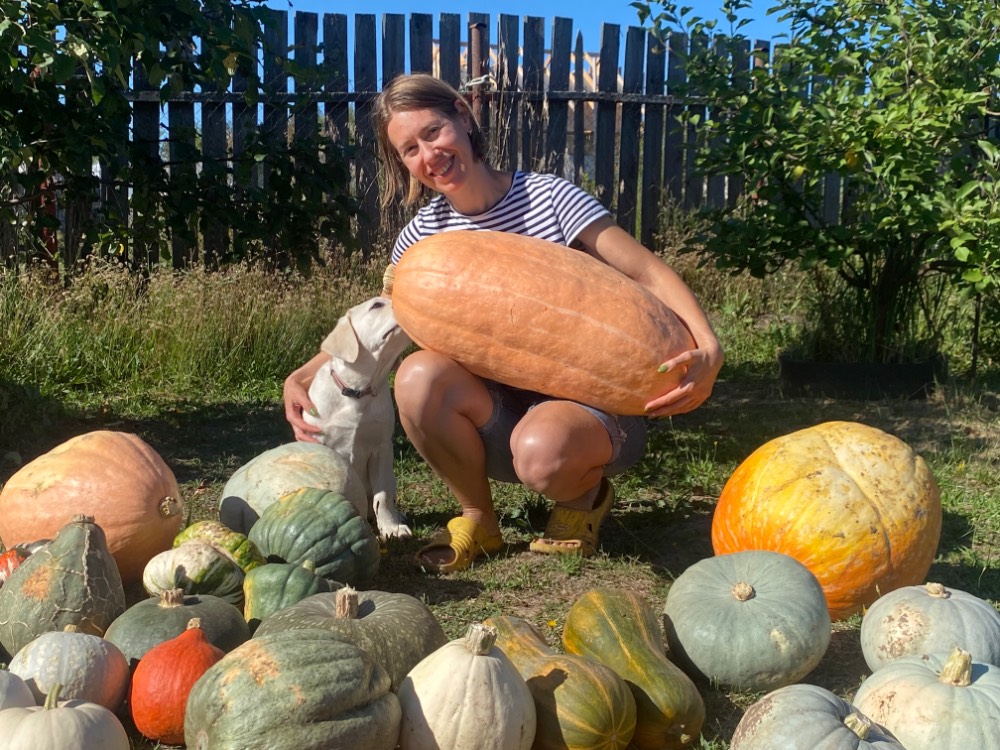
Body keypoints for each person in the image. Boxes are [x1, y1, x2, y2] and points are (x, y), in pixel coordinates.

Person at [284, 73, 723, 573]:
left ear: (462, 116)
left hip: (595, 408)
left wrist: (708, 345)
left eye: (433, 132)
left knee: (542, 453)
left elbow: (645, 270)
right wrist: (306, 374)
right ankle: (479, 517)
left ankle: (583, 496)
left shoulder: (549, 198)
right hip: (498, 413)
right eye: (410, 149)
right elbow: (378, 319)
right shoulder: (421, 239)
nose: (429, 155)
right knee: (417, 376)